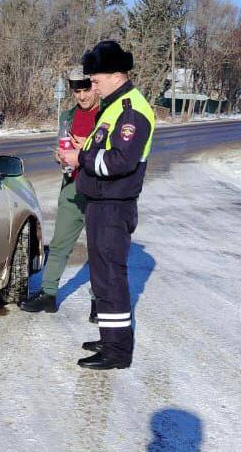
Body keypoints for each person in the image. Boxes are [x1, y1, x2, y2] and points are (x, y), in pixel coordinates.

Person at [58, 40, 155, 370]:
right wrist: (86, 146)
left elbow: (121, 161)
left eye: (96, 79)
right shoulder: (113, 107)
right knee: (102, 276)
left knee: (111, 277)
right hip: (101, 202)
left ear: (116, 74)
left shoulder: (131, 110)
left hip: (115, 204)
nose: (92, 86)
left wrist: (80, 156)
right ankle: (109, 336)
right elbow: (109, 147)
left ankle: (117, 351)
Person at [20, 67, 99, 317]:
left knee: (100, 248)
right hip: (72, 187)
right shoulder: (67, 117)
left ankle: (101, 302)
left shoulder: (109, 115)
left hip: (100, 189)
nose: (82, 96)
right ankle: (48, 294)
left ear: (95, 87)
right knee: (59, 244)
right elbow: (63, 150)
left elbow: (116, 153)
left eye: (86, 89)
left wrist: (85, 148)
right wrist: (60, 157)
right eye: (77, 91)